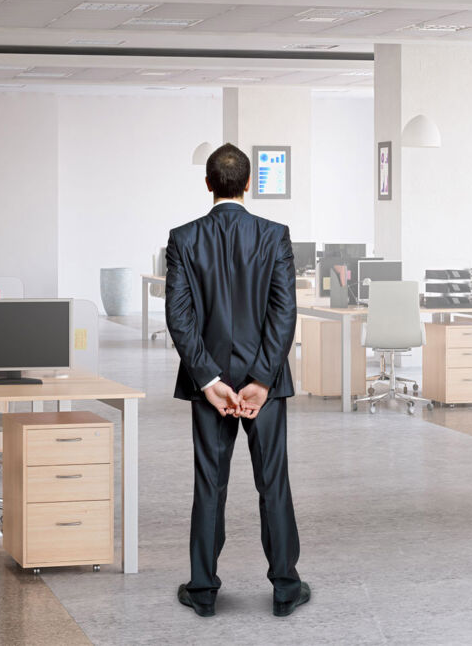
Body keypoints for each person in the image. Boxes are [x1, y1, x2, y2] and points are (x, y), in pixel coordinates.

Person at [165, 143, 309, 618]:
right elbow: (283, 313)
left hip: (210, 385)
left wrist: (208, 379)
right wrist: (263, 380)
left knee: (210, 482)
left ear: (208, 185)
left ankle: (203, 590)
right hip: (262, 381)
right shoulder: (274, 236)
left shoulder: (184, 239)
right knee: (274, 481)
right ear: (248, 184)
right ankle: (286, 588)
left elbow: (179, 318)